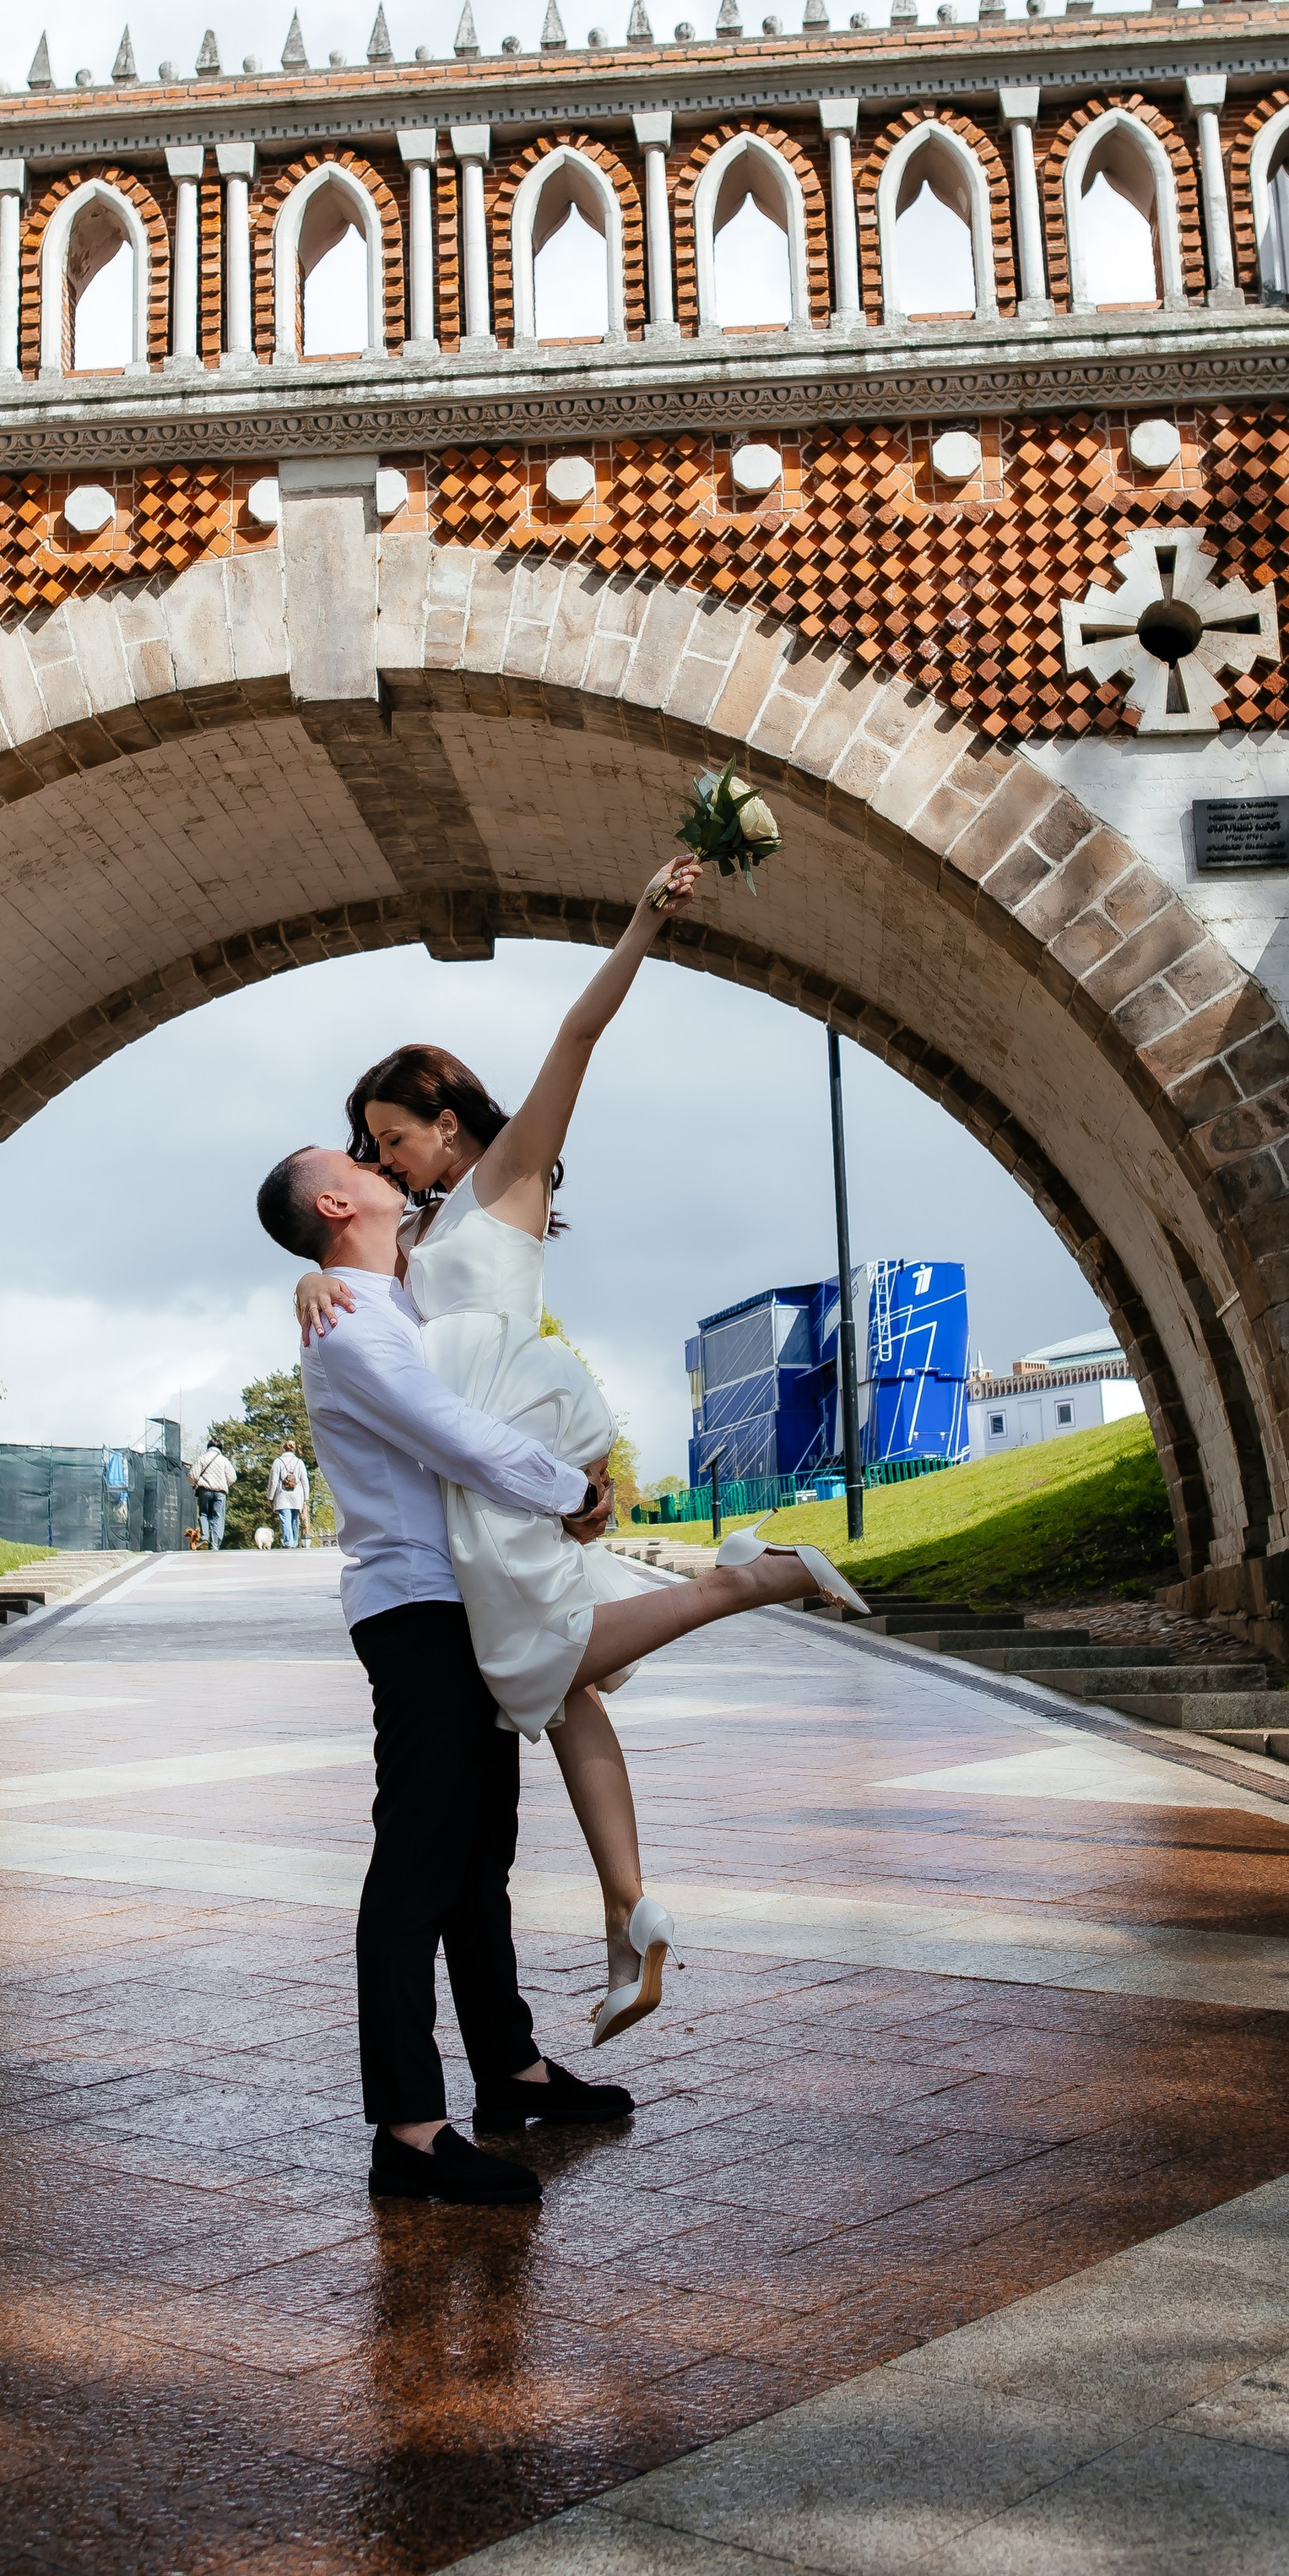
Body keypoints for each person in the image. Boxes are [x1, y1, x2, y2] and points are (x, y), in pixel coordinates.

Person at [290, 852, 864, 2050]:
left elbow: (576, 1037)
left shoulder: (504, 1176)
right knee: (564, 1691)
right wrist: (311, 1277)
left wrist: (644, 918)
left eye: (392, 1138)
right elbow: (357, 1280)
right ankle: (629, 1913)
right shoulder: (421, 1225)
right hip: (479, 1466)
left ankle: (747, 1581)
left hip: (504, 1442)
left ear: (449, 1127)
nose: (382, 1159)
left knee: (533, 1662)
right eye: (370, 1146)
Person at [256, 1142, 637, 2208]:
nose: (382, 1162)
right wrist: (572, 1492)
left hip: (459, 1601)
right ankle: (410, 2129)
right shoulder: (347, 1329)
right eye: (357, 1161)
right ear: (336, 1202)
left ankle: (509, 2073)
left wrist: (308, 1266)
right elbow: (455, 1434)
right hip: (416, 1612)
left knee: (480, 1856)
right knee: (418, 1864)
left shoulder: (384, 1295)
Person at [188, 1439, 236, 1550]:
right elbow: (233, 1478)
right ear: (220, 1449)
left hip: (204, 1490)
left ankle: (204, 1536)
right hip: (220, 1492)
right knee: (217, 1517)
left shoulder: (202, 1458)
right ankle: (215, 1545)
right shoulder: (224, 1460)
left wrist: (194, 1484)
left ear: (208, 1447)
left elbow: (193, 1476)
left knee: (204, 1514)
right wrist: (224, 1484)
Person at [266, 1441, 311, 1550]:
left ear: (283, 1449)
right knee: (295, 1519)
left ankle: (288, 1542)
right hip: (297, 1495)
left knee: (285, 1519)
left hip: (283, 1494)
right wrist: (306, 1497)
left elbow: (273, 1481)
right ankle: (294, 1542)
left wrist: (270, 1496)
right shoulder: (299, 1462)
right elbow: (305, 1480)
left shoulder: (278, 1462)